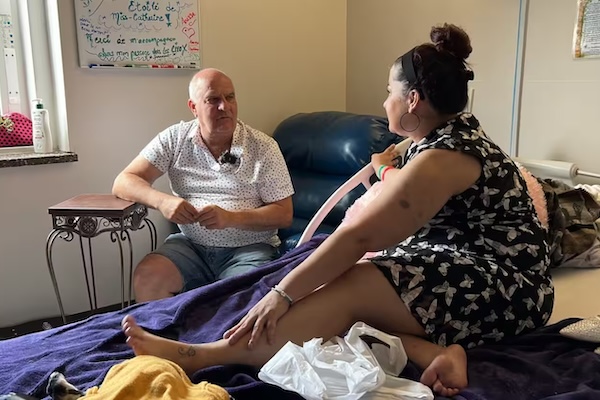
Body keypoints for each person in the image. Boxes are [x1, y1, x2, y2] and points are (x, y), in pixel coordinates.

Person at [121, 24, 554, 396]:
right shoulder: (436, 139)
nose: (384, 103)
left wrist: (281, 295)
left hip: (506, 286)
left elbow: (362, 235)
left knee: (352, 282)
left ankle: (202, 355)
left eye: (389, 92)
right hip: (456, 258)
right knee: (335, 289)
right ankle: (436, 352)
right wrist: (384, 169)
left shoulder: (445, 155)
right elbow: (402, 185)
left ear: (413, 100)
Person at [113, 68, 295, 302]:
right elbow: (124, 181)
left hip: (249, 249)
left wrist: (231, 218)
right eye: (213, 99)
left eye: (230, 97)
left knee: (236, 299)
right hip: (191, 246)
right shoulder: (175, 139)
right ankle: (161, 328)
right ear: (193, 107)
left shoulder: (263, 147)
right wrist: (163, 202)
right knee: (147, 276)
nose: (224, 106)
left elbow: (284, 214)